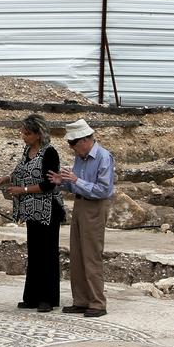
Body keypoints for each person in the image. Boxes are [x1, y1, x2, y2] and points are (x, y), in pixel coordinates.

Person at [0, 114, 63, 313]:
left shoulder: (50, 153)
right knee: (35, 252)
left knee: (47, 253)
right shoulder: (27, 151)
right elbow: (20, 173)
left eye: (27, 133)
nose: (23, 136)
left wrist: (22, 191)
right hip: (32, 210)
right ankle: (32, 297)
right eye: (23, 132)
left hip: (47, 210)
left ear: (38, 134)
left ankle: (48, 298)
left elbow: (48, 184)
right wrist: (4, 179)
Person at [47, 118, 115, 318]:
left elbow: (104, 189)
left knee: (91, 255)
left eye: (73, 144)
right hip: (80, 204)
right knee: (76, 254)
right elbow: (76, 183)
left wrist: (77, 180)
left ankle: (97, 302)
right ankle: (81, 300)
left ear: (84, 140)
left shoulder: (103, 157)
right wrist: (63, 182)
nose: (72, 148)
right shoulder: (81, 158)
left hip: (95, 207)